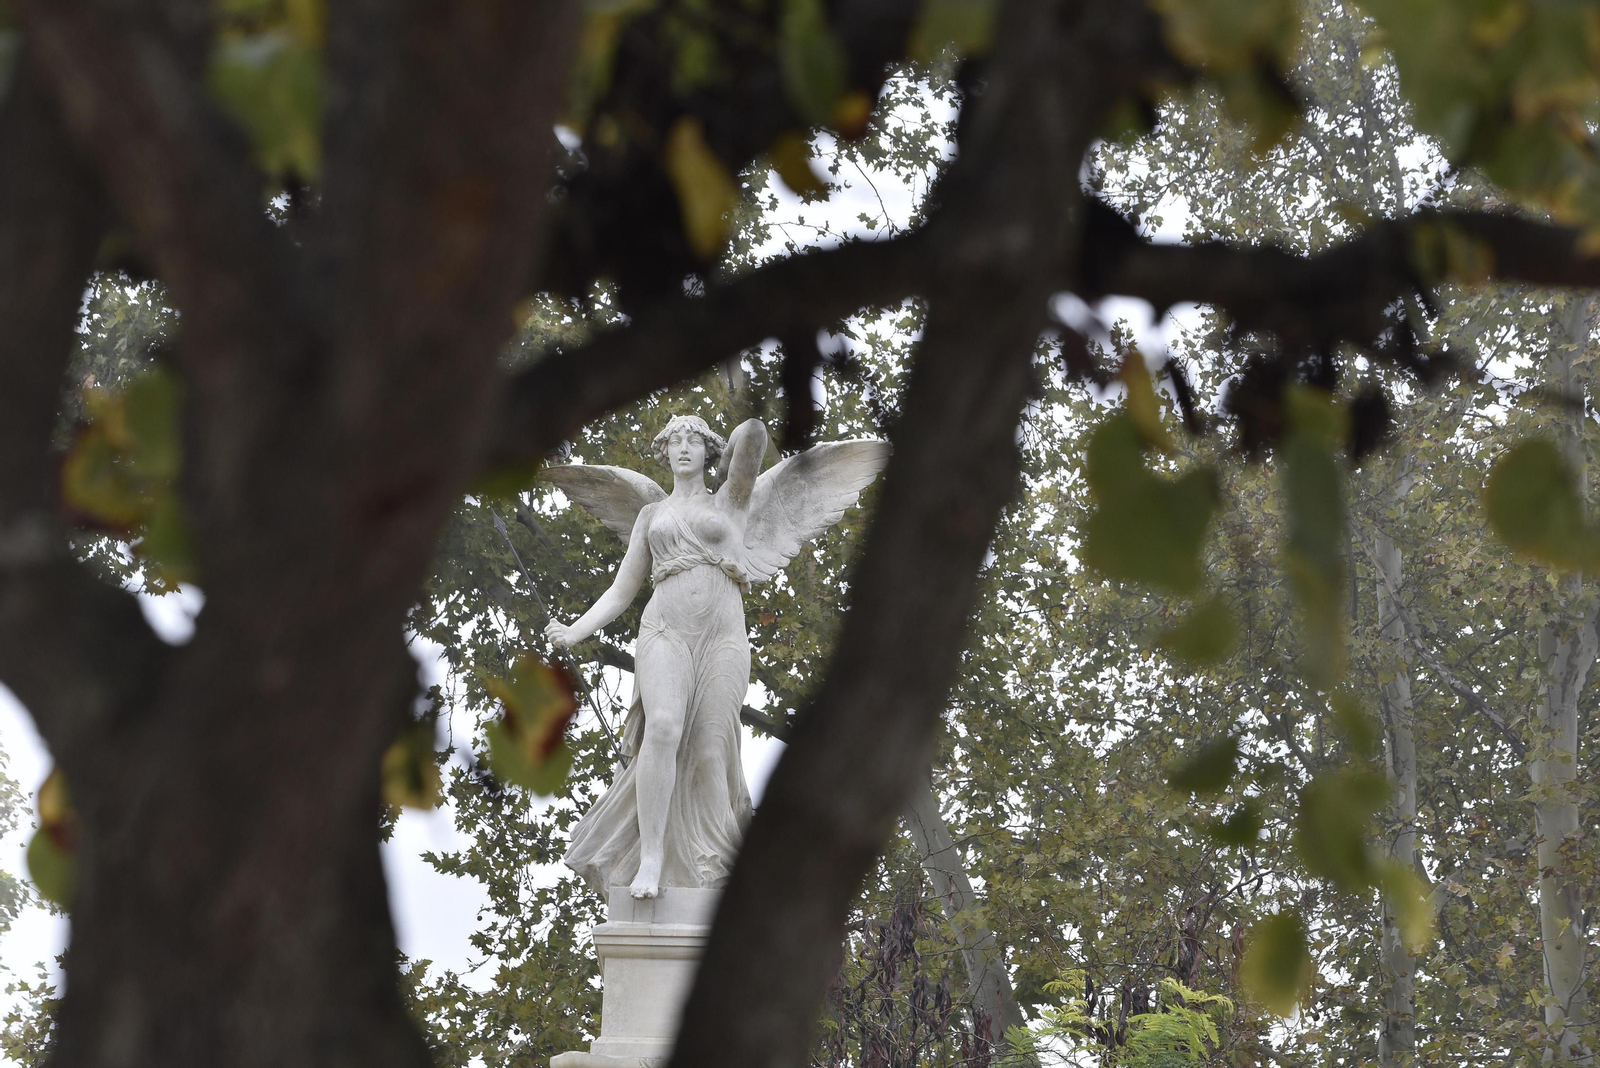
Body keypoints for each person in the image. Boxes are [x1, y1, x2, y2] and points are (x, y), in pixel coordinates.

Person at [545, 414, 888, 899]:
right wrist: (575, 630)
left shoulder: (734, 499)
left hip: (722, 635)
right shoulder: (649, 514)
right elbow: (622, 591)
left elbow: (752, 436)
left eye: (693, 441)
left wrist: (733, 443)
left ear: (709, 451)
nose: (683, 449)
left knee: (710, 751)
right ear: (663, 453)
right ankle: (651, 857)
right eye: (674, 442)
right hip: (663, 628)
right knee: (662, 728)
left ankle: (713, 863)